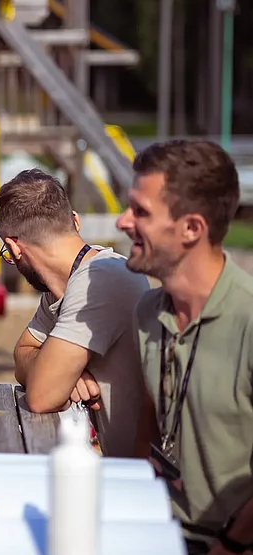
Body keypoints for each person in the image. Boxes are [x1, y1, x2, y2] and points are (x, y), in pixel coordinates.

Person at [117, 139, 253, 554]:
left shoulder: (248, 319)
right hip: (159, 530)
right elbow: (148, 430)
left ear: (192, 228)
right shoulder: (147, 312)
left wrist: (230, 545)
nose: (123, 221)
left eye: (140, 211)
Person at [0, 169, 150, 458]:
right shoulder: (60, 288)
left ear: (14, 248)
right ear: (75, 220)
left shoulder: (99, 279)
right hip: (119, 464)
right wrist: (64, 373)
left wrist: (54, 375)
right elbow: (22, 354)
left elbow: (41, 396)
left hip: (145, 474)